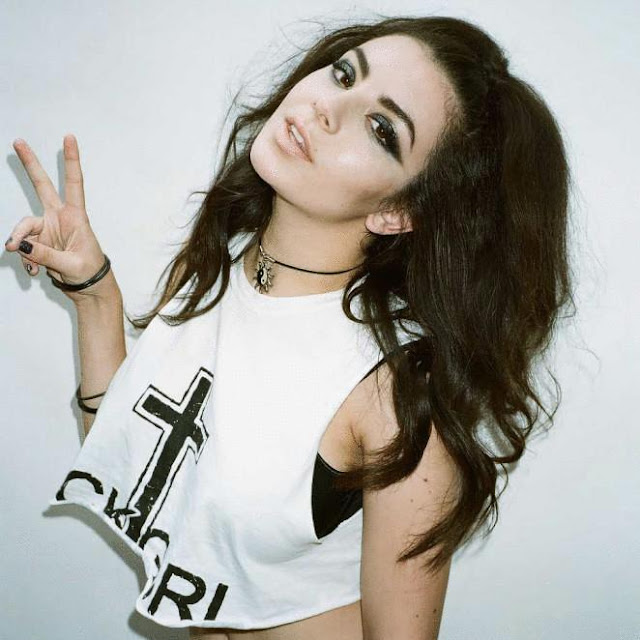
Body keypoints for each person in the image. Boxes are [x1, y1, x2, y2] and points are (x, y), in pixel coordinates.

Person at [5, 14, 573, 640]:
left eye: (381, 128)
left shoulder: (394, 393)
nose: (327, 107)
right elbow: (132, 469)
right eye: (344, 74)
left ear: (399, 211)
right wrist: (95, 296)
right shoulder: (219, 266)